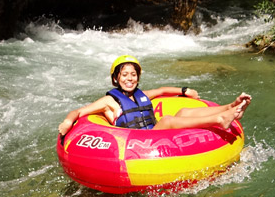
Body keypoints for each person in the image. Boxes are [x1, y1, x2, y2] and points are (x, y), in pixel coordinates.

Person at [58, 55, 252, 136]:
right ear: (116, 78)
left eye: (133, 75)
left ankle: (230, 107)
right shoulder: (110, 101)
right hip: (139, 143)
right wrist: (68, 122)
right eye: (124, 75)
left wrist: (184, 91)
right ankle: (219, 119)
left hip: (155, 133)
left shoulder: (142, 95)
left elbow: (161, 91)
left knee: (183, 111)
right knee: (167, 120)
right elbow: (79, 111)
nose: (129, 79)